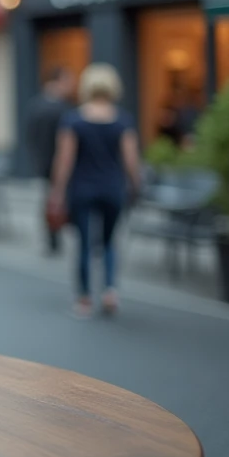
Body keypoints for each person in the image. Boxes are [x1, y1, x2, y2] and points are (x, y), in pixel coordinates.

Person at [48, 63, 141, 319]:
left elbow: (64, 160)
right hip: (113, 188)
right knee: (110, 241)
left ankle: (85, 298)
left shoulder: (74, 119)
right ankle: (110, 290)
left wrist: (56, 192)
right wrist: (136, 184)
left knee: (85, 244)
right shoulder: (122, 120)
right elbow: (131, 160)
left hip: (82, 189)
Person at [24, 67, 75, 254]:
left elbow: (29, 135)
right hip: (59, 162)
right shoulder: (64, 109)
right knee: (58, 198)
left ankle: (52, 235)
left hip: (43, 162)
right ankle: (56, 232)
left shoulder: (36, 105)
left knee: (49, 199)